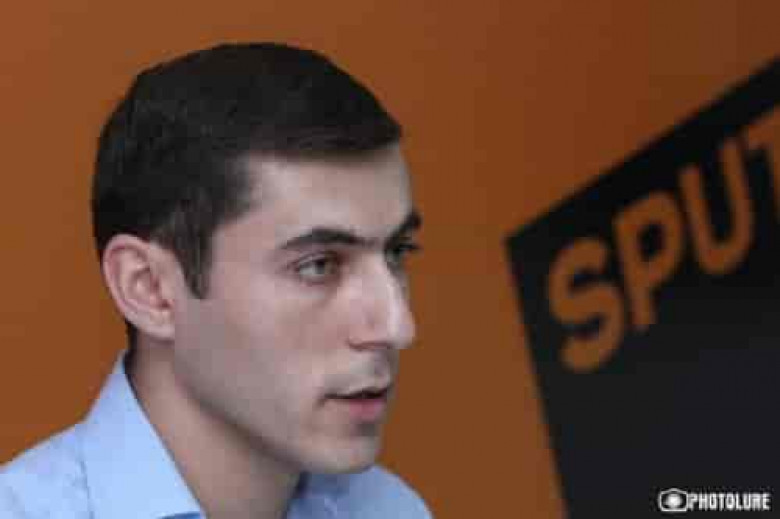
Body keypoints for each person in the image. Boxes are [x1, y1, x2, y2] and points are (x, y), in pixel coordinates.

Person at [0, 42, 431, 518]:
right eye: (318, 266)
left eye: (397, 252)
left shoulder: (389, 509)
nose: (397, 326)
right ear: (149, 289)